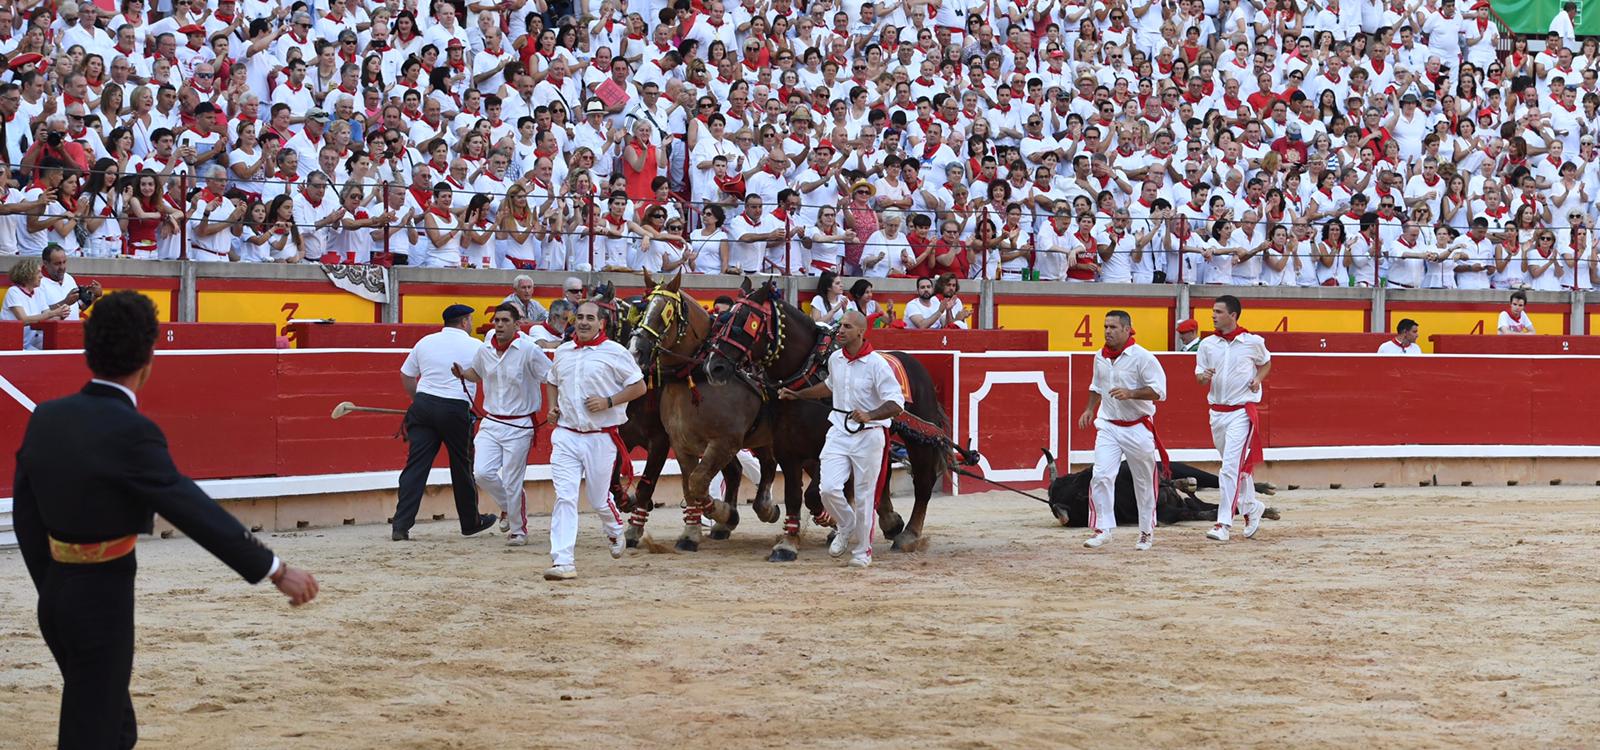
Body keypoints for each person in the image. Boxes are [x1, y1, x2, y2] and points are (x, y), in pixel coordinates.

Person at [12, 290, 318, 750]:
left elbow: (26, 517)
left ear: (88, 351)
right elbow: (190, 508)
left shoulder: (47, 417)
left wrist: (52, 584)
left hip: (56, 593)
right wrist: (275, 569)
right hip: (102, 598)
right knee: (93, 731)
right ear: (149, 358)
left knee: (113, 725)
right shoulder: (133, 431)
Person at [778, 311, 905, 570]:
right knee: (827, 488)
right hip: (838, 430)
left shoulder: (877, 364)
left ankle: (862, 552)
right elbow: (829, 387)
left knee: (864, 495)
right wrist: (799, 394)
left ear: (861, 332)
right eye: (840, 325)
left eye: (847, 326)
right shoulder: (835, 358)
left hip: (869, 435)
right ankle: (846, 525)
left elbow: (896, 403)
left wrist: (870, 415)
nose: (841, 330)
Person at [542, 300, 647, 581]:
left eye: (590, 318)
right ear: (573, 321)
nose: (584, 322)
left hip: (601, 437)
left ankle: (614, 527)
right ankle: (562, 561)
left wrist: (608, 401)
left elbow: (639, 386)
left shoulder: (615, 352)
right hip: (566, 435)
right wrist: (552, 407)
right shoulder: (563, 351)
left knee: (598, 499)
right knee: (565, 496)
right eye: (580, 317)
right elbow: (552, 380)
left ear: (602, 323)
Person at [393, 304, 499, 541]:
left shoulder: (426, 342)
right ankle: (470, 522)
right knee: (461, 466)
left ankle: (400, 525)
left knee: (416, 466)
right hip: (454, 409)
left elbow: (406, 375)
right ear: (464, 322)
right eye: (469, 320)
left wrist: (419, 400)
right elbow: (490, 376)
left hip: (423, 406)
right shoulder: (476, 346)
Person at [454, 303, 552, 547]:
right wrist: (463, 374)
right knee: (482, 473)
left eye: (504, 321)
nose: (498, 325)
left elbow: (551, 376)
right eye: (496, 320)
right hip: (492, 420)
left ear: (517, 324)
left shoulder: (529, 350)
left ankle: (518, 530)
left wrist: (553, 407)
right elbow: (477, 372)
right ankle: (509, 506)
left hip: (519, 424)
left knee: (512, 479)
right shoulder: (486, 347)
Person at [1077, 310, 1169, 551]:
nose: (1107, 331)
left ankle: (1146, 532)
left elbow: (1159, 391)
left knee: (1144, 481)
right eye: (1106, 326)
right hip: (1108, 425)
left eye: (1113, 327)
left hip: (1137, 426)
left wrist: (1131, 393)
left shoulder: (1143, 358)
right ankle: (1102, 528)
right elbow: (1096, 386)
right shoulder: (1100, 356)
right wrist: (1089, 409)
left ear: (1127, 329)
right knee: (1101, 475)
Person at [1196, 295, 1271, 542]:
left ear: (1233, 315)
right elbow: (1198, 376)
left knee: (1229, 467)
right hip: (1216, 413)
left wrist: (1258, 379)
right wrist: (1203, 376)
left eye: (1218, 312)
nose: (1213, 315)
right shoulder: (1207, 345)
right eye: (1213, 311)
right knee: (1235, 468)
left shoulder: (1253, 342)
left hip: (1240, 411)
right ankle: (1251, 507)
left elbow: (1266, 363)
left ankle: (1223, 523)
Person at [3, 258, 72, 350]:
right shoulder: (13, 292)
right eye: (38, 272)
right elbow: (23, 320)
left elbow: (48, 318)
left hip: (27, 344)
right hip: (9, 345)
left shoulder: (38, 292)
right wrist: (53, 313)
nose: (41, 276)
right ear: (27, 274)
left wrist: (61, 314)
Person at [39, 244, 100, 320]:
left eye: (64, 262)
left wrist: (94, 296)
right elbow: (39, 314)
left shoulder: (69, 278)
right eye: (57, 263)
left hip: (73, 330)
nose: (62, 267)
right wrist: (65, 302)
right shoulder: (38, 282)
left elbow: (77, 309)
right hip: (51, 331)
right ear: (45, 264)